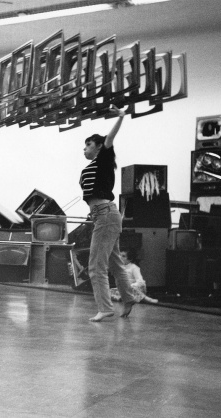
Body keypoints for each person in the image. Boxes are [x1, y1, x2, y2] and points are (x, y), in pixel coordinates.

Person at [80, 105, 136, 322]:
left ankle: (105, 308)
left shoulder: (103, 158)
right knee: (115, 263)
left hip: (105, 215)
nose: (84, 149)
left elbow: (110, 138)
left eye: (88, 145)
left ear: (99, 147)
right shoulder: (96, 166)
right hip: (105, 216)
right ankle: (128, 298)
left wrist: (120, 117)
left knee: (95, 267)